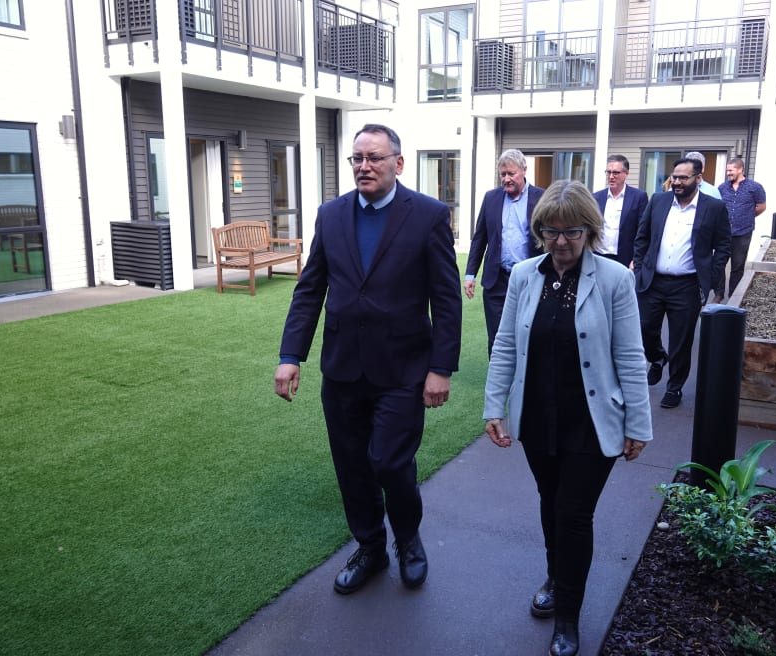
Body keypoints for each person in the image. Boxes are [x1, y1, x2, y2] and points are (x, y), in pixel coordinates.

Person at [274, 124, 462, 595]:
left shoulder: (428, 216)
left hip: (402, 369)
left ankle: (408, 540)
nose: (364, 166)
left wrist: (440, 368)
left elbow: (446, 299)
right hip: (342, 369)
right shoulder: (331, 215)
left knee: (389, 462)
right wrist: (291, 354)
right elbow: (310, 289)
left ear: (398, 163)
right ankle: (371, 548)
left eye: (374, 158)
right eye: (357, 158)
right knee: (352, 464)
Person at [482, 180, 653, 656]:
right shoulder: (524, 275)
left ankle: (567, 619)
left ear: (590, 232)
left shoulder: (614, 279)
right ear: (539, 231)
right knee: (549, 501)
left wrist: (638, 424)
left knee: (574, 514)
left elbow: (630, 355)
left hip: (591, 420)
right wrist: (494, 405)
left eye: (572, 232)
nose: (560, 242)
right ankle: (556, 578)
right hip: (538, 416)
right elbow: (506, 345)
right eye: (551, 232)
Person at [633, 157, 731, 409]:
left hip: (687, 285)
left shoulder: (714, 207)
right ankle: (657, 357)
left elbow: (723, 245)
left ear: (698, 179)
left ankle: (674, 387)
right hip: (652, 281)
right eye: (674, 177)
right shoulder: (658, 201)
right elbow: (642, 237)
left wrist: (711, 274)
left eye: (683, 178)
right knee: (644, 329)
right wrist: (640, 267)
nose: (677, 182)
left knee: (681, 340)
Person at [465, 149, 545, 356]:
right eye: (503, 174)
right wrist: (470, 274)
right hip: (497, 280)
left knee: (530, 334)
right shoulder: (491, 198)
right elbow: (480, 237)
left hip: (530, 279)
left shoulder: (542, 198)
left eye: (511, 173)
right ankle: (497, 375)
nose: (506, 179)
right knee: (497, 337)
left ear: (524, 170)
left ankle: (526, 373)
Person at [719, 157, 767, 299]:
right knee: (719, 263)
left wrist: (747, 216)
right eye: (727, 170)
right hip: (724, 232)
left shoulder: (755, 187)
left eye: (731, 170)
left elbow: (761, 206)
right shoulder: (722, 188)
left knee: (738, 266)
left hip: (743, 232)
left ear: (740, 169)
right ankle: (718, 293)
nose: (728, 173)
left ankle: (733, 295)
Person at [593, 154, 648, 267]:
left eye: (615, 173)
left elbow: (643, 231)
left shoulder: (638, 197)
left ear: (626, 174)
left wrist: (636, 259)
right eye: (608, 172)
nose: (611, 176)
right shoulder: (596, 197)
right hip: (599, 256)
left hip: (625, 258)